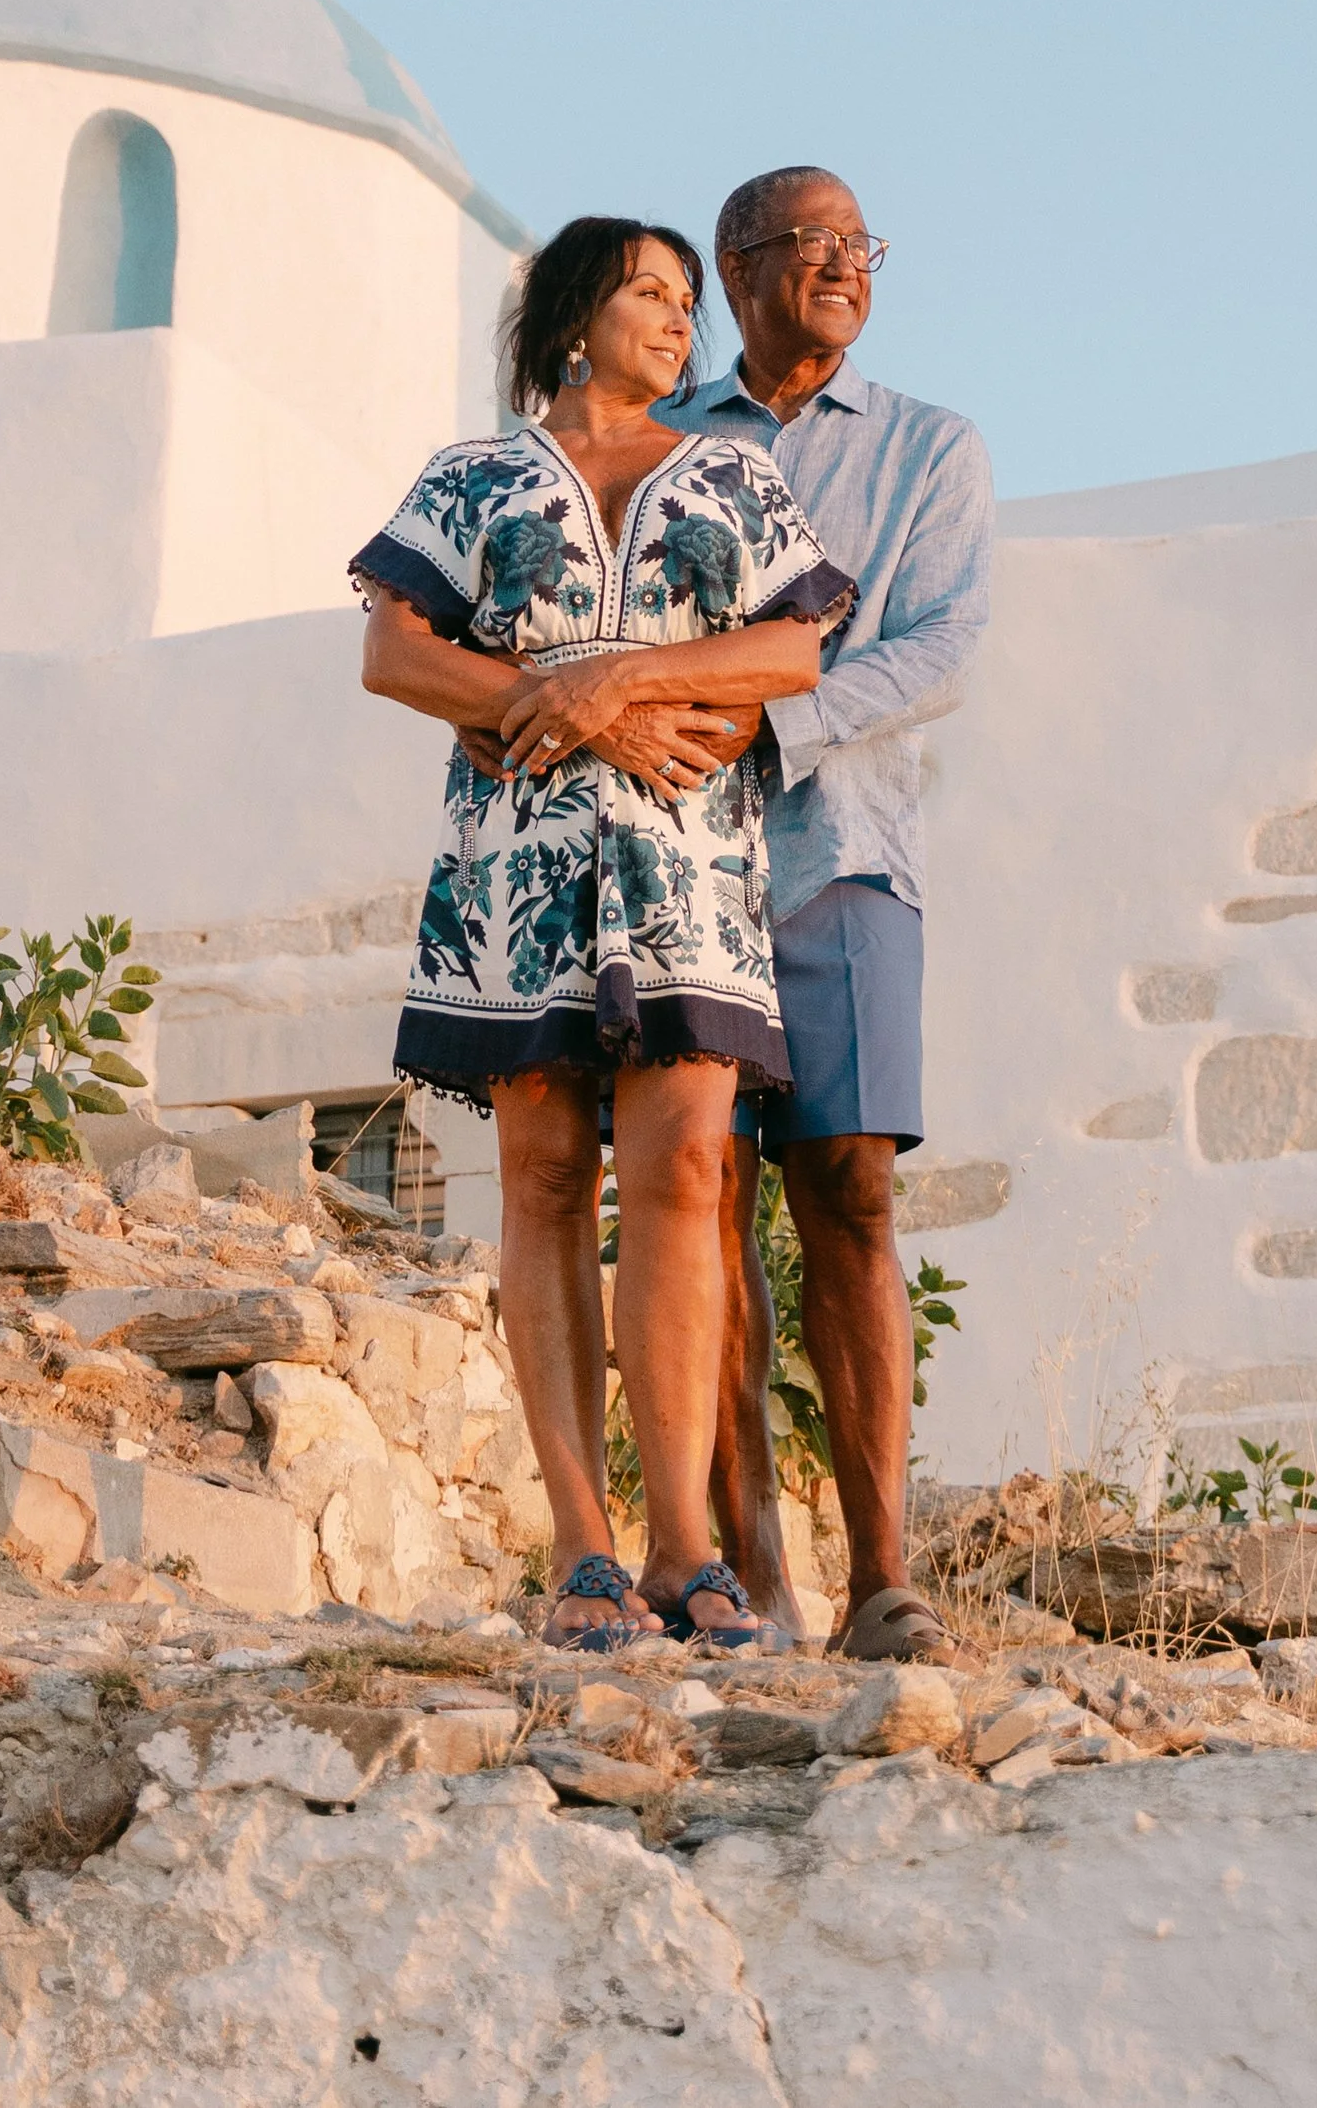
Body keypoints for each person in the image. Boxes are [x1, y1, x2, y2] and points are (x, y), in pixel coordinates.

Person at [352, 216, 855, 1653]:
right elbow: (395, 650)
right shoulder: (474, 476)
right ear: (575, 313)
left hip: (690, 863)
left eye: (688, 303)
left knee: (690, 1167)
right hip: (519, 861)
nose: (679, 323)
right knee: (546, 1168)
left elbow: (793, 647)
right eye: (650, 293)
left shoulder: (731, 477)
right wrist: (558, 704)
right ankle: (582, 1544)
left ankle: (688, 1546)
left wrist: (619, 681)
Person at [659, 167, 992, 1662]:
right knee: (702, 1206)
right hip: (675, 870)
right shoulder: (657, 444)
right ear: (740, 270)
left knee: (850, 1187)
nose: (848, 265)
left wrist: (768, 723)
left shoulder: (933, 448)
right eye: (816, 243)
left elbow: (941, 644)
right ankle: (749, 1577)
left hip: (847, 852)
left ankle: (883, 1579)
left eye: (864, 244)